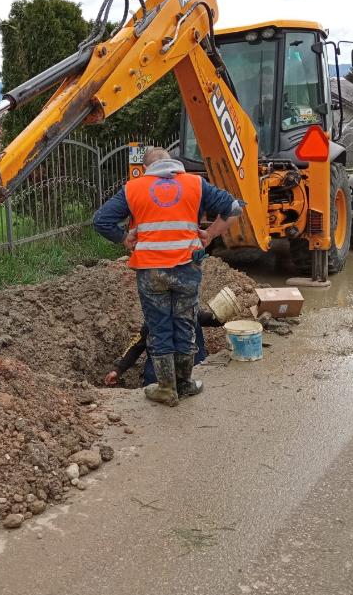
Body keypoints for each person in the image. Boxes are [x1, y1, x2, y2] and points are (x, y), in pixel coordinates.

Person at [92, 148, 241, 407]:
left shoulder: (133, 188)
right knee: (185, 324)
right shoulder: (196, 184)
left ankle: (166, 389)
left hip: (151, 272)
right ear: (174, 162)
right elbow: (234, 208)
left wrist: (124, 238)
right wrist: (211, 234)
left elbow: (101, 220)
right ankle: (184, 384)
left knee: (159, 328)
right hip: (187, 269)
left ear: (147, 167)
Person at [103, 308, 223, 389]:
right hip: (168, 379)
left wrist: (223, 313)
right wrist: (118, 370)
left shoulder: (191, 315)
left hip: (185, 376)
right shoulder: (154, 323)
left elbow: (136, 347)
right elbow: (136, 347)